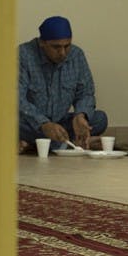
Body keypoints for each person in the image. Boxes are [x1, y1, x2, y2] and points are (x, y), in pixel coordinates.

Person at [18, 16, 109, 153]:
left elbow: (85, 93)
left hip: (60, 123)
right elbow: (17, 99)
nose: (62, 53)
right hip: (30, 123)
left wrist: (80, 116)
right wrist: (43, 124)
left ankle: (38, 145)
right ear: (42, 43)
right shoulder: (23, 55)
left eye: (67, 46)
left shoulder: (76, 55)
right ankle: (67, 145)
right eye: (56, 47)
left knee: (100, 118)